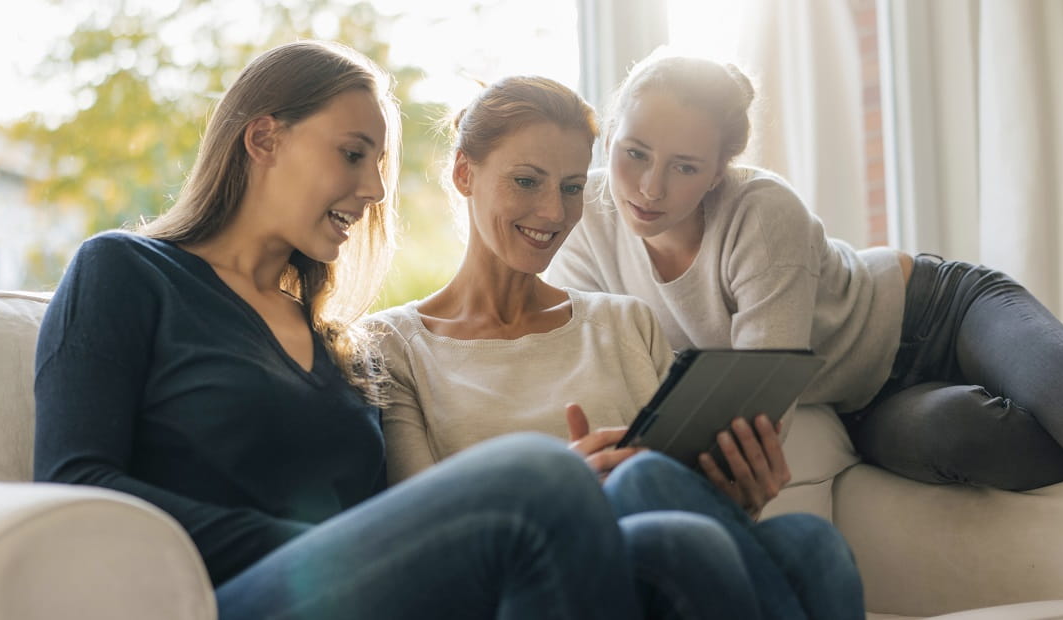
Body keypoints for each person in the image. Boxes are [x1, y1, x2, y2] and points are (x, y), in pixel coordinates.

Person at [33, 40, 716, 620]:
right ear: (264, 139)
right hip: (222, 599)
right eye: (354, 154)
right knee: (539, 476)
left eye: (380, 166)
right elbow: (76, 484)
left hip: (361, 590)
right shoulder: (126, 272)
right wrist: (319, 543)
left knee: (674, 544)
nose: (376, 192)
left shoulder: (337, 343)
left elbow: (395, 518)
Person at [544, 48, 1063, 491]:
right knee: (960, 435)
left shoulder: (761, 211)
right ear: (609, 135)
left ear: (721, 166)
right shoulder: (583, 225)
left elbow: (764, 394)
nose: (650, 187)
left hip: (938, 313)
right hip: (861, 400)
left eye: (685, 167)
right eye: (635, 153)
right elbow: (600, 370)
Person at [369, 75, 864, 620]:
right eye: (528, 181)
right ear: (465, 172)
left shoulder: (626, 321)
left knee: (809, 543)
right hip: (531, 587)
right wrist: (559, 489)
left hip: (674, 580)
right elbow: (425, 536)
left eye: (572, 187)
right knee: (646, 484)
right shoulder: (396, 347)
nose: (555, 214)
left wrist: (735, 495)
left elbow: (684, 503)